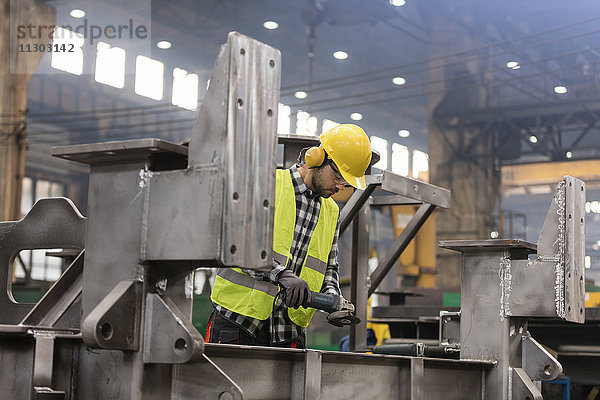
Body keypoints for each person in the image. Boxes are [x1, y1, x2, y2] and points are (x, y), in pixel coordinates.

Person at [206, 124, 372, 348]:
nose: (341, 186)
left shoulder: (331, 211)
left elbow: (329, 268)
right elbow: (236, 244)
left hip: (288, 331)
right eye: (338, 176)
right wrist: (281, 275)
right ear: (317, 157)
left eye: (347, 182)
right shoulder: (268, 186)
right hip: (239, 321)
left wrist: (333, 297)